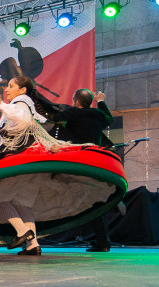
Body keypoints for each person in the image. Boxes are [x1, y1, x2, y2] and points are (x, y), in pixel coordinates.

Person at [0, 77, 127, 256]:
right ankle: (33, 245)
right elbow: (9, 137)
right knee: (21, 201)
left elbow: (24, 120)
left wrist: (1, 103)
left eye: (10, 86)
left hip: (22, 159)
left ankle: (22, 231)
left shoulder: (21, 103)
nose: (6, 89)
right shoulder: (16, 107)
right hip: (28, 161)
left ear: (23, 90)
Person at [40, 89, 115, 252]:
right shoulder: (98, 115)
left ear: (77, 102)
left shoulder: (73, 113)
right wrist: (101, 101)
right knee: (94, 201)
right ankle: (103, 242)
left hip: (78, 161)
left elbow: (56, 117)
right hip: (95, 161)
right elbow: (109, 118)